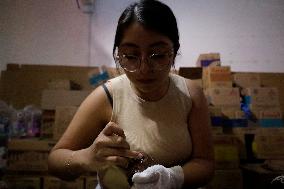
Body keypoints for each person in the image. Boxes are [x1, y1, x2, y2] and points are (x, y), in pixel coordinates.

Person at [48, 0, 214, 188]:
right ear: (119, 55)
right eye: (131, 56)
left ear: (174, 52)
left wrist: (170, 178)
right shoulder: (106, 97)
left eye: (157, 55)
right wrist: (84, 157)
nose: (143, 69)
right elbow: (55, 161)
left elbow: (205, 163)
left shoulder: (190, 94)